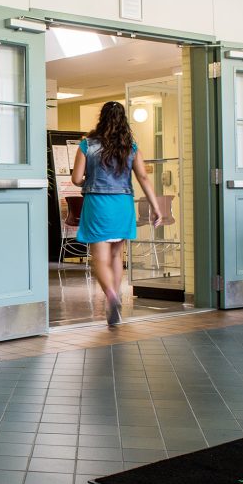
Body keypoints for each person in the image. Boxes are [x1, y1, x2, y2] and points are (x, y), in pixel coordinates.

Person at [71, 101, 163, 326]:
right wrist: (155, 207)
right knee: (115, 256)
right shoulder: (131, 147)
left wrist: (90, 179)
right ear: (124, 120)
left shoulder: (87, 145)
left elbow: (76, 179)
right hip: (123, 204)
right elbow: (143, 178)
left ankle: (111, 296)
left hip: (98, 203)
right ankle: (117, 295)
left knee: (99, 258)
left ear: (101, 118)